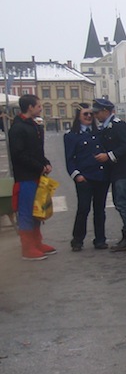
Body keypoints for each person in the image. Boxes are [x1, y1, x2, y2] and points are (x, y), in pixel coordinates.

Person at [9, 94, 56, 260]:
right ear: (30, 107)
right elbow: (18, 155)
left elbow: (37, 152)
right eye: (38, 106)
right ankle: (27, 248)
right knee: (26, 212)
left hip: (37, 175)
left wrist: (45, 163)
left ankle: (37, 242)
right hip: (25, 177)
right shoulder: (18, 128)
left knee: (37, 211)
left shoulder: (34, 126)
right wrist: (39, 166)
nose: (41, 108)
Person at [93, 98, 126, 252]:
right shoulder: (105, 127)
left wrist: (109, 156)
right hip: (117, 171)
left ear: (105, 111)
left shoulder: (118, 125)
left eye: (97, 112)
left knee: (121, 202)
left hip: (125, 170)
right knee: (119, 202)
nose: (95, 115)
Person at [64, 103, 110, 251]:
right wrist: (76, 175)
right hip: (84, 178)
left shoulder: (100, 133)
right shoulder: (71, 136)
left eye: (91, 114)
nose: (89, 116)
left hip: (101, 176)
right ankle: (77, 240)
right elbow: (69, 159)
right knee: (83, 209)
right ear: (78, 116)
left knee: (100, 209)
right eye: (85, 114)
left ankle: (100, 239)